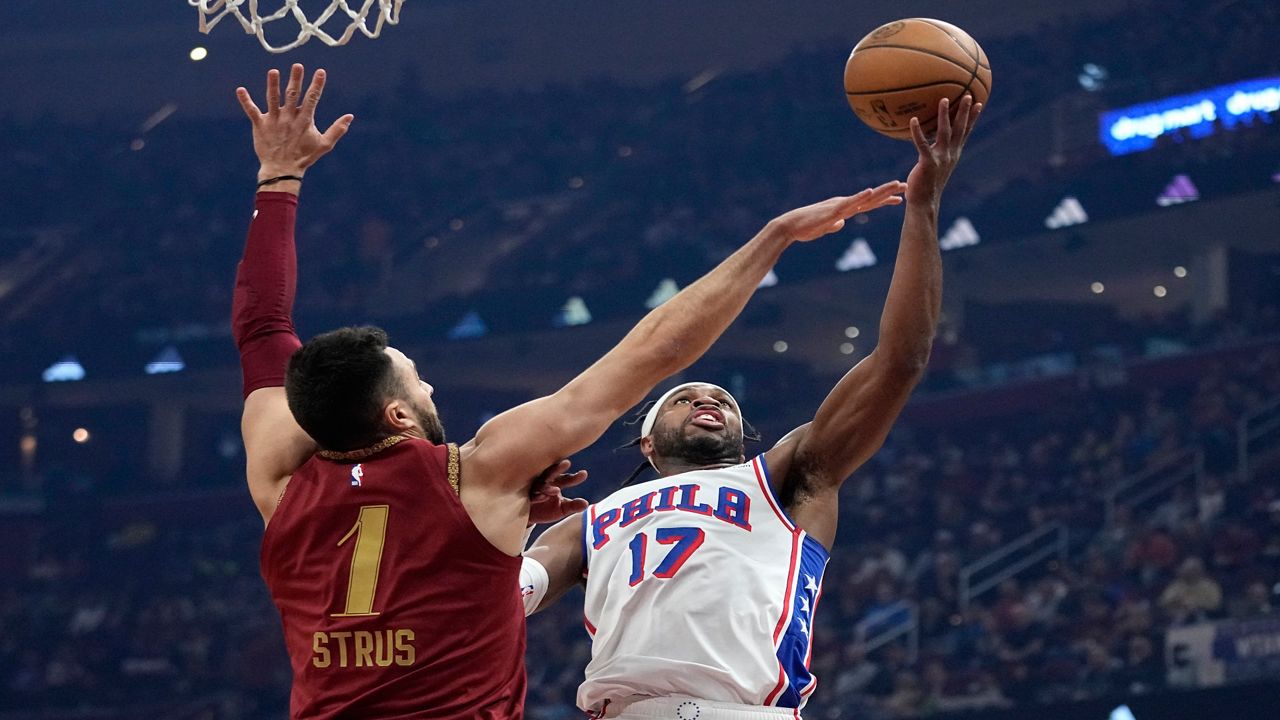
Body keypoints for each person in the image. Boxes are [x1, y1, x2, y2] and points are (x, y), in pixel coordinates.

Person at [230, 63, 907, 719]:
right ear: (399, 413)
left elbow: (263, 328)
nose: (432, 384)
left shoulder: (278, 481)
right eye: (419, 380)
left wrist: (276, 179)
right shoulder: (480, 470)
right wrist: (774, 237)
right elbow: (656, 350)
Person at [525, 96, 981, 718]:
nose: (707, 400)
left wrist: (922, 209)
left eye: (722, 399)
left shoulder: (789, 475)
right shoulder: (592, 519)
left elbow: (901, 359)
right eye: (684, 397)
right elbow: (512, 587)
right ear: (648, 444)